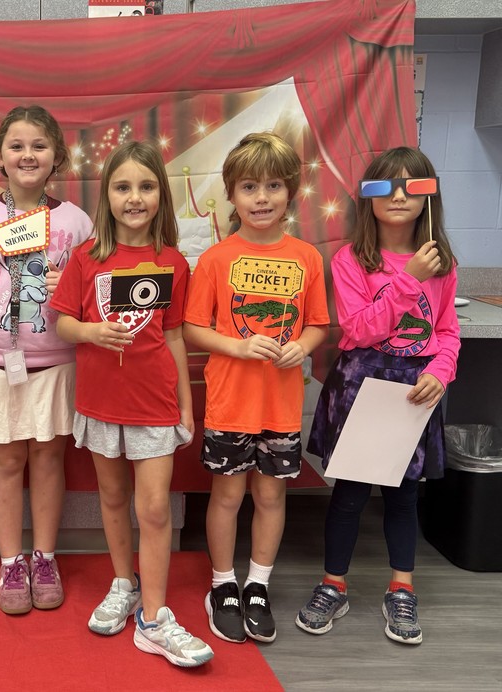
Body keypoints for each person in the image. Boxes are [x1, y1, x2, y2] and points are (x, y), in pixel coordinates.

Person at [52, 141, 214, 667]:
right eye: (123, 187)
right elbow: (64, 322)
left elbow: (172, 338)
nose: (135, 197)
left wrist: (185, 406)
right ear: (108, 196)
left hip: (154, 405)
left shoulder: (171, 262)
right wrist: (93, 332)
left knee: (154, 509)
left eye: (146, 187)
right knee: (114, 498)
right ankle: (123, 583)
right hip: (100, 403)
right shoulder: (87, 257)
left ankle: (154, 615)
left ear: (161, 196)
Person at [296, 147, 459, 645]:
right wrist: (410, 279)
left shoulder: (444, 263)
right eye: (385, 186)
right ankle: (333, 584)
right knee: (347, 494)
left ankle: (402, 589)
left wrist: (441, 370)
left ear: (429, 195)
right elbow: (361, 330)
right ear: (367, 197)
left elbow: (448, 331)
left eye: (414, 186)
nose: (399, 196)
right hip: (361, 385)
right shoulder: (351, 260)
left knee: (404, 496)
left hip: (414, 391)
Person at [0, 105, 93, 615]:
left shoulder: (75, 221)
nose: (28, 155)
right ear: (0, 157)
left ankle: (44, 557)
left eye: (39, 146)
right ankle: (10, 561)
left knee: (49, 457)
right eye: (17, 146)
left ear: (57, 157)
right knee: (5, 461)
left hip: (56, 362)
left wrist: (67, 288)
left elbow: (94, 298)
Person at [184, 132, 330, 643]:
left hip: (283, 406)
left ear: (291, 191)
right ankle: (222, 584)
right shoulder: (216, 259)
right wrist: (237, 345)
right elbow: (192, 328)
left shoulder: (307, 257)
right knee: (226, 497)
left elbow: (317, 323)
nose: (262, 197)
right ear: (231, 194)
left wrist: (304, 346)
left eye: (273, 185)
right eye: (249, 186)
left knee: (271, 497)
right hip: (230, 403)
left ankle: (258, 584)